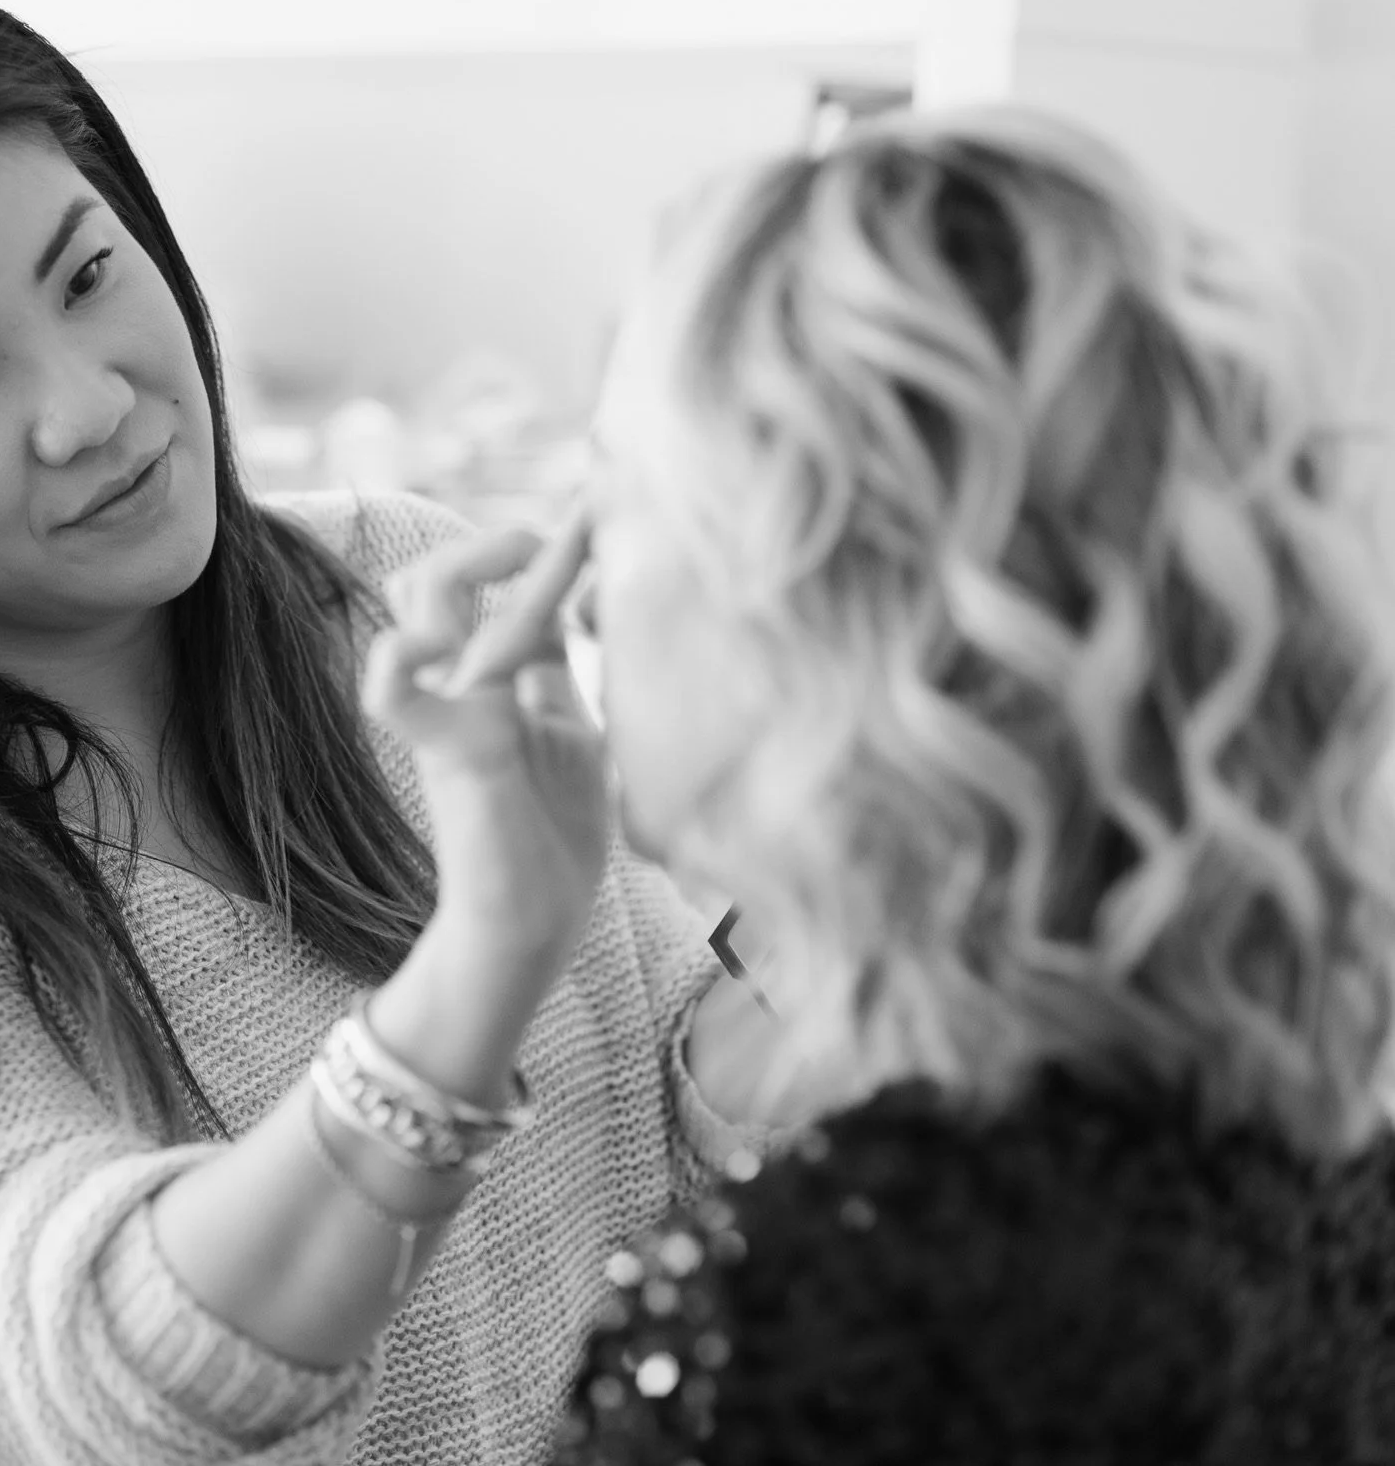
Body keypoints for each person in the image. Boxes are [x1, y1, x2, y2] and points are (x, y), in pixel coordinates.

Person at [0, 0, 765, 1466]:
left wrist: (859, 863)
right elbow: (113, 1384)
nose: (94, 405)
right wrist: (481, 960)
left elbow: (688, 1113)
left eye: (85, 275)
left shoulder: (394, 583)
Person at [375, 106, 1395, 1462]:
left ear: (812, 618)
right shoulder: (1319, 1158)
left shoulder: (803, 1327)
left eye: (616, 498)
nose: (582, 594)